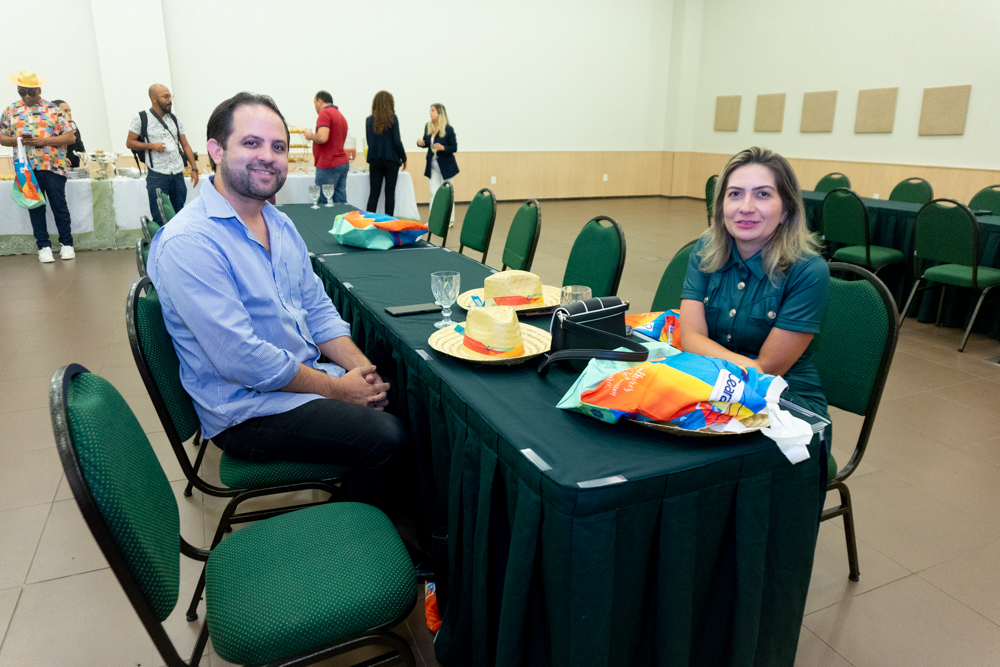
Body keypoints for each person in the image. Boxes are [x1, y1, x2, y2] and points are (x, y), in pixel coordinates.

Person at [146, 91, 406, 518]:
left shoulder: (279, 223)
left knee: (398, 390)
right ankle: (349, 540)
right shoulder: (189, 243)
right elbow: (242, 360)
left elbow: (318, 310)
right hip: (246, 411)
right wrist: (341, 389)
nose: (268, 156)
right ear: (215, 150)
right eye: (251, 143)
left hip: (295, 380)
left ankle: (406, 527)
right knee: (387, 436)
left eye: (278, 147)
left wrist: (362, 373)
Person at [679, 146, 830, 420]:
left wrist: (704, 354)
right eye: (735, 194)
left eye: (762, 194)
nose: (746, 208)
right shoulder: (705, 249)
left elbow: (765, 370)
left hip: (784, 402)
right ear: (721, 205)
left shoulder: (809, 271)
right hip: (711, 387)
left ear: (785, 210)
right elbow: (689, 337)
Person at [0, 70, 76, 262]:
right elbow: (2, 137)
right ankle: (43, 246)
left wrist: (44, 141)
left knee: (59, 206)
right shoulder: (10, 111)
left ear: (39, 90)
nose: (26, 96)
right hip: (27, 168)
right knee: (34, 206)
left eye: (30, 92)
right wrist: (18, 140)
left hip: (53, 166)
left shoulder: (54, 109)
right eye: (21, 92)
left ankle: (67, 244)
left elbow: (70, 136)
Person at [126, 84, 199, 224]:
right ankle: (161, 244)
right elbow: (130, 142)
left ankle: (177, 243)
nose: (169, 100)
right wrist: (151, 146)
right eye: (165, 97)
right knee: (159, 215)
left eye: (170, 96)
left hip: (177, 172)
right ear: (154, 98)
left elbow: (185, 145)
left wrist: (194, 168)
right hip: (157, 174)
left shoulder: (175, 119)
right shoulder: (141, 118)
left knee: (179, 213)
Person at [303, 90, 350, 205]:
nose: (315, 107)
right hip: (342, 162)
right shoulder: (340, 116)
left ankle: (322, 223)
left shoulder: (324, 114)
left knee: (323, 202)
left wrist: (310, 136)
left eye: (314, 103)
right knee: (340, 202)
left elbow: (323, 138)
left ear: (320, 101)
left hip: (328, 163)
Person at [365, 90, 407, 216]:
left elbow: (369, 141)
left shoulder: (369, 120)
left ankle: (368, 223)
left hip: (375, 160)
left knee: (374, 194)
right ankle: (389, 224)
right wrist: (403, 158)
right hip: (391, 160)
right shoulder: (393, 119)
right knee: (390, 194)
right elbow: (397, 141)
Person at [417, 103, 458, 225]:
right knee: (433, 193)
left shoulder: (448, 129)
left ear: (439, 113)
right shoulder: (427, 126)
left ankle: (450, 219)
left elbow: (454, 147)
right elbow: (425, 142)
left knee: (447, 193)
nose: (430, 113)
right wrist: (419, 143)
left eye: (433, 110)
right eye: (430, 110)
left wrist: (443, 147)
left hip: (447, 166)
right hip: (433, 166)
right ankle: (433, 220)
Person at [52, 100, 85, 168]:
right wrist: (63, 158)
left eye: (70, 110)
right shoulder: (53, 127)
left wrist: (85, 156)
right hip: (61, 164)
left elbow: (79, 142)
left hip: (75, 164)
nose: (69, 113)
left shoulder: (72, 124)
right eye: (66, 111)